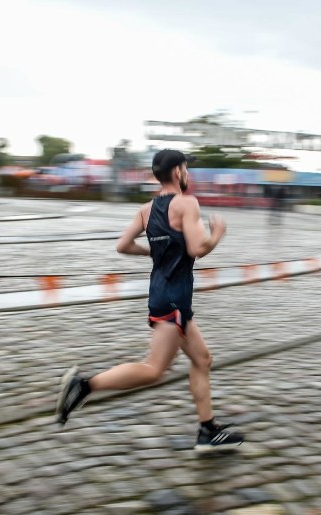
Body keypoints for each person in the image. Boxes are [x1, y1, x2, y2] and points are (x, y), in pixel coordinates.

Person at [55, 149, 245, 452]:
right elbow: (197, 248)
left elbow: (123, 245)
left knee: (202, 358)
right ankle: (85, 385)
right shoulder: (187, 204)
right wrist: (217, 233)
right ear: (178, 172)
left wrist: (152, 252)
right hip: (173, 300)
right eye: (187, 168)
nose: (189, 174)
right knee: (155, 368)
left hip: (167, 297)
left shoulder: (146, 210)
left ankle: (207, 430)